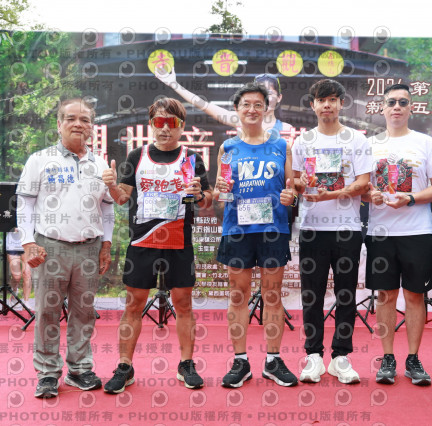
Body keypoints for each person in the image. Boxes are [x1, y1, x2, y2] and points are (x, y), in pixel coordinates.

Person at [101, 98, 212, 393]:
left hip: (178, 240)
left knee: (183, 303)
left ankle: (186, 364)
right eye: (159, 122)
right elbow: (122, 198)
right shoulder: (137, 156)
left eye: (171, 123)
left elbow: (208, 200)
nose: (165, 129)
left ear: (181, 126)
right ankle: (125, 366)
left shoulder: (192, 158)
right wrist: (111, 184)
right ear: (151, 124)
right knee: (134, 303)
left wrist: (200, 194)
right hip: (142, 240)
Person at [16, 98, 115, 398]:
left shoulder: (100, 164)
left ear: (91, 127)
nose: (78, 124)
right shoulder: (39, 160)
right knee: (47, 311)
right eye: (71, 118)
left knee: (84, 311)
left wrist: (106, 244)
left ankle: (79, 369)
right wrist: (28, 242)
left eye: (84, 120)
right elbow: (25, 203)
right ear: (59, 124)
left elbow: (107, 208)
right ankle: (47, 372)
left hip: (89, 248)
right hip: (50, 247)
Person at [215, 82, 298, 388]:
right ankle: (240, 361)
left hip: (273, 229)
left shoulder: (281, 146)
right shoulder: (228, 148)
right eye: (246, 104)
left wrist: (291, 197)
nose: (252, 110)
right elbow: (219, 194)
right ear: (237, 110)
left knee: (272, 295)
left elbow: (291, 188)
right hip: (238, 229)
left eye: (258, 105)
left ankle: (273, 360)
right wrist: (220, 190)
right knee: (238, 295)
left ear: (266, 109)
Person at [364, 84, 432, 386]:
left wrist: (410, 198)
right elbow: (361, 188)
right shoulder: (369, 145)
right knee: (385, 296)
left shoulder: (426, 143)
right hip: (381, 232)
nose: (396, 107)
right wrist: (369, 195)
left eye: (402, 102)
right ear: (382, 108)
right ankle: (387, 357)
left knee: (414, 295)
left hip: (417, 231)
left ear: (411, 108)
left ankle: (413, 358)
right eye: (391, 102)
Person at [292, 79, 372, 384]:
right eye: (321, 100)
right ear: (313, 105)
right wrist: (300, 184)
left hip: (346, 228)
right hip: (312, 227)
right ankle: (313, 355)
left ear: (341, 104)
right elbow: (295, 181)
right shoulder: (302, 141)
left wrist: (329, 194)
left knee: (345, 293)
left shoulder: (357, 140)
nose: (327, 105)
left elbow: (363, 183)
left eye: (332, 100)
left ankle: (341, 356)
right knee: (311, 294)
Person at [155, 65, 291, 135]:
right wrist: (174, 84)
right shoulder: (241, 120)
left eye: (270, 93)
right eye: (261, 94)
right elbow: (203, 105)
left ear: (279, 98)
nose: (265, 98)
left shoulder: (287, 130)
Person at [6, 229, 32, 302]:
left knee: (27, 274)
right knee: (16, 276)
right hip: (13, 243)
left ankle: (26, 302)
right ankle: (14, 289)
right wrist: (12, 227)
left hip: (29, 242)